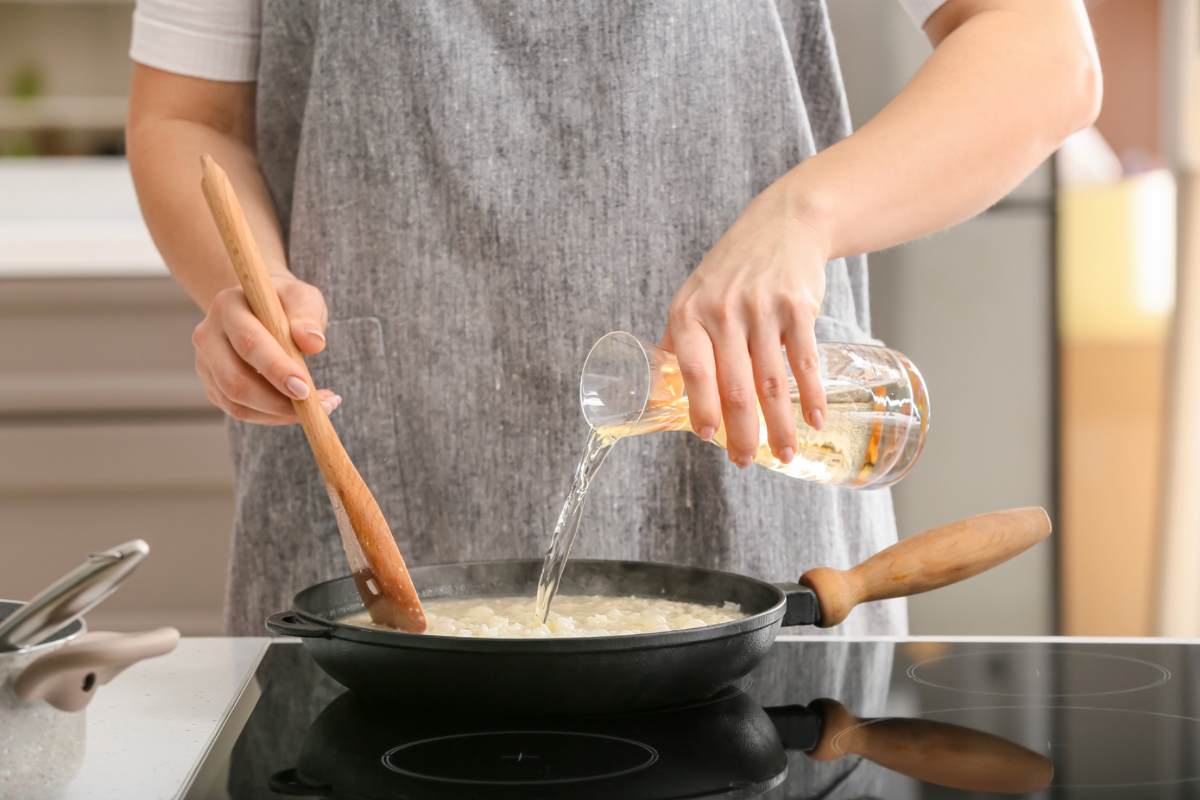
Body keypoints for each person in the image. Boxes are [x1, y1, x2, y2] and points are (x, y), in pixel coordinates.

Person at [126, 1, 1100, 635]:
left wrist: (805, 216)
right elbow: (189, 116)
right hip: (364, 512)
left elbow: (1041, 51)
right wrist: (253, 287)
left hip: (749, 511)